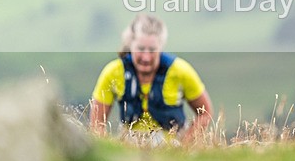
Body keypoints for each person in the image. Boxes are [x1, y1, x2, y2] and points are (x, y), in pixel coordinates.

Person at [89, 14, 214, 145]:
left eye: (152, 50)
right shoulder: (112, 72)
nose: (146, 57)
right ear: (130, 45)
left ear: (161, 47)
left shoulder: (181, 71)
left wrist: (185, 146)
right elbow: (96, 125)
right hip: (129, 147)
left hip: (172, 149)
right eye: (140, 49)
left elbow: (205, 113)